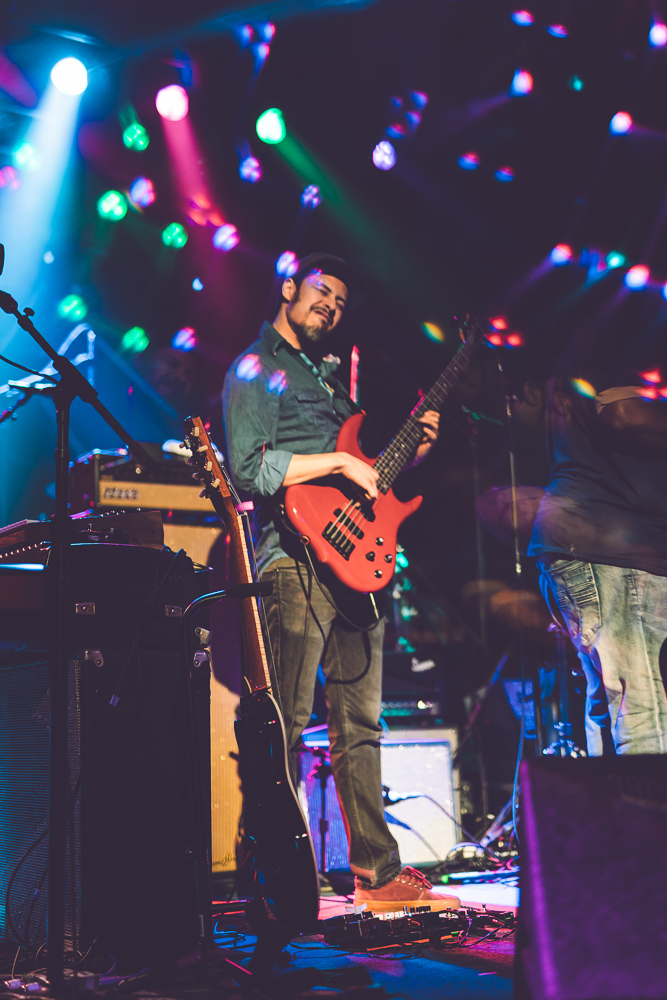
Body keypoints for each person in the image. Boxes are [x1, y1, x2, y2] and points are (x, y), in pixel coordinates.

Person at [222, 253, 460, 912]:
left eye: (339, 303)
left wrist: (415, 449)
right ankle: (273, 872)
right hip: (293, 559)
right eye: (321, 294)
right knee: (287, 722)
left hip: (359, 566)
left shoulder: (331, 385)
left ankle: (377, 875)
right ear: (289, 289)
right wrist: (337, 464)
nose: (329, 308)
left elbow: (367, 480)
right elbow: (247, 467)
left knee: (361, 723)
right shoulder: (257, 368)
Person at [528, 353, 667, 755]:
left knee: (614, 714)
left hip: (595, 550)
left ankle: (616, 818)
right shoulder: (620, 333)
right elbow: (621, 415)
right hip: (613, 553)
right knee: (647, 715)